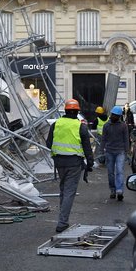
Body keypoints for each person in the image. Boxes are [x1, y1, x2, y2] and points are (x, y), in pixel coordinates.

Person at [46, 98, 94, 233]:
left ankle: (63, 218)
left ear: (65, 111)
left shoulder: (56, 124)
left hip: (59, 163)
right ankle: (62, 223)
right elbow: (87, 148)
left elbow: (49, 144)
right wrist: (90, 163)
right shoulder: (81, 126)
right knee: (69, 192)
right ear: (77, 111)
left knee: (63, 190)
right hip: (74, 163)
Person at [102, 106, 129, 201]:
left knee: (119, 171)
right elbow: (103, 139)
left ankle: (119, 190)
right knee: (110, 173)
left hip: (120, 152)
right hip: (109, 151)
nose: (114, 117)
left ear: (119, 116)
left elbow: (126, 139)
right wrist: (101, 151)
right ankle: (112, 190)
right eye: (113, 115)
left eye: (116, 115)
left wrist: (127, 152)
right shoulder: (106, 126)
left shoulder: (123, 126)